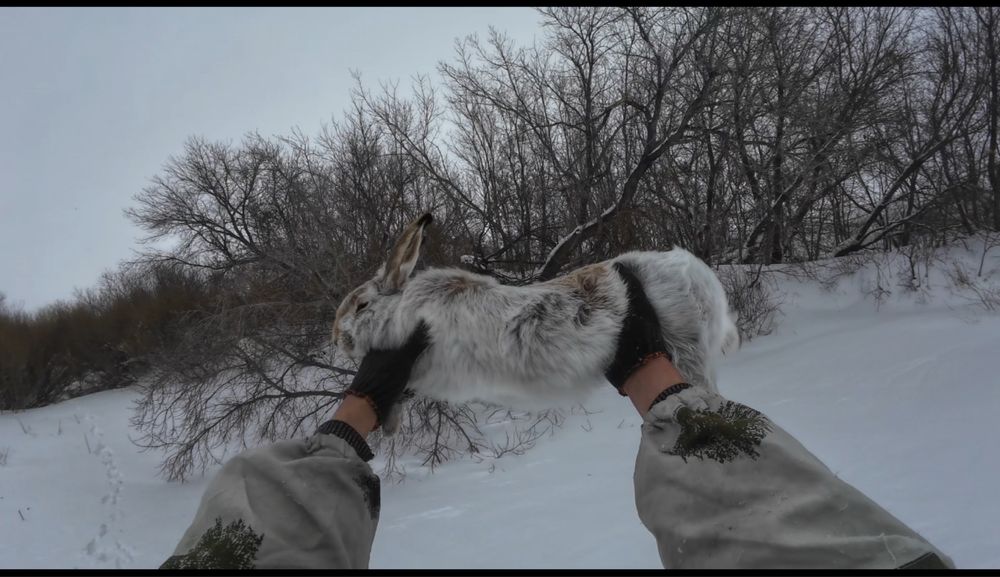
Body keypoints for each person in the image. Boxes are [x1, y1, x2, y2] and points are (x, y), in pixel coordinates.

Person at [162, 264, 954, 569]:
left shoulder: (421, 301)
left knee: (256, 506)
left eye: (358, 324)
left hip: (647, 290)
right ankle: (659, 383)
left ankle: (353, 420)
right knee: (755, 499)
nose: (351, 334)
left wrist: (367, 400)